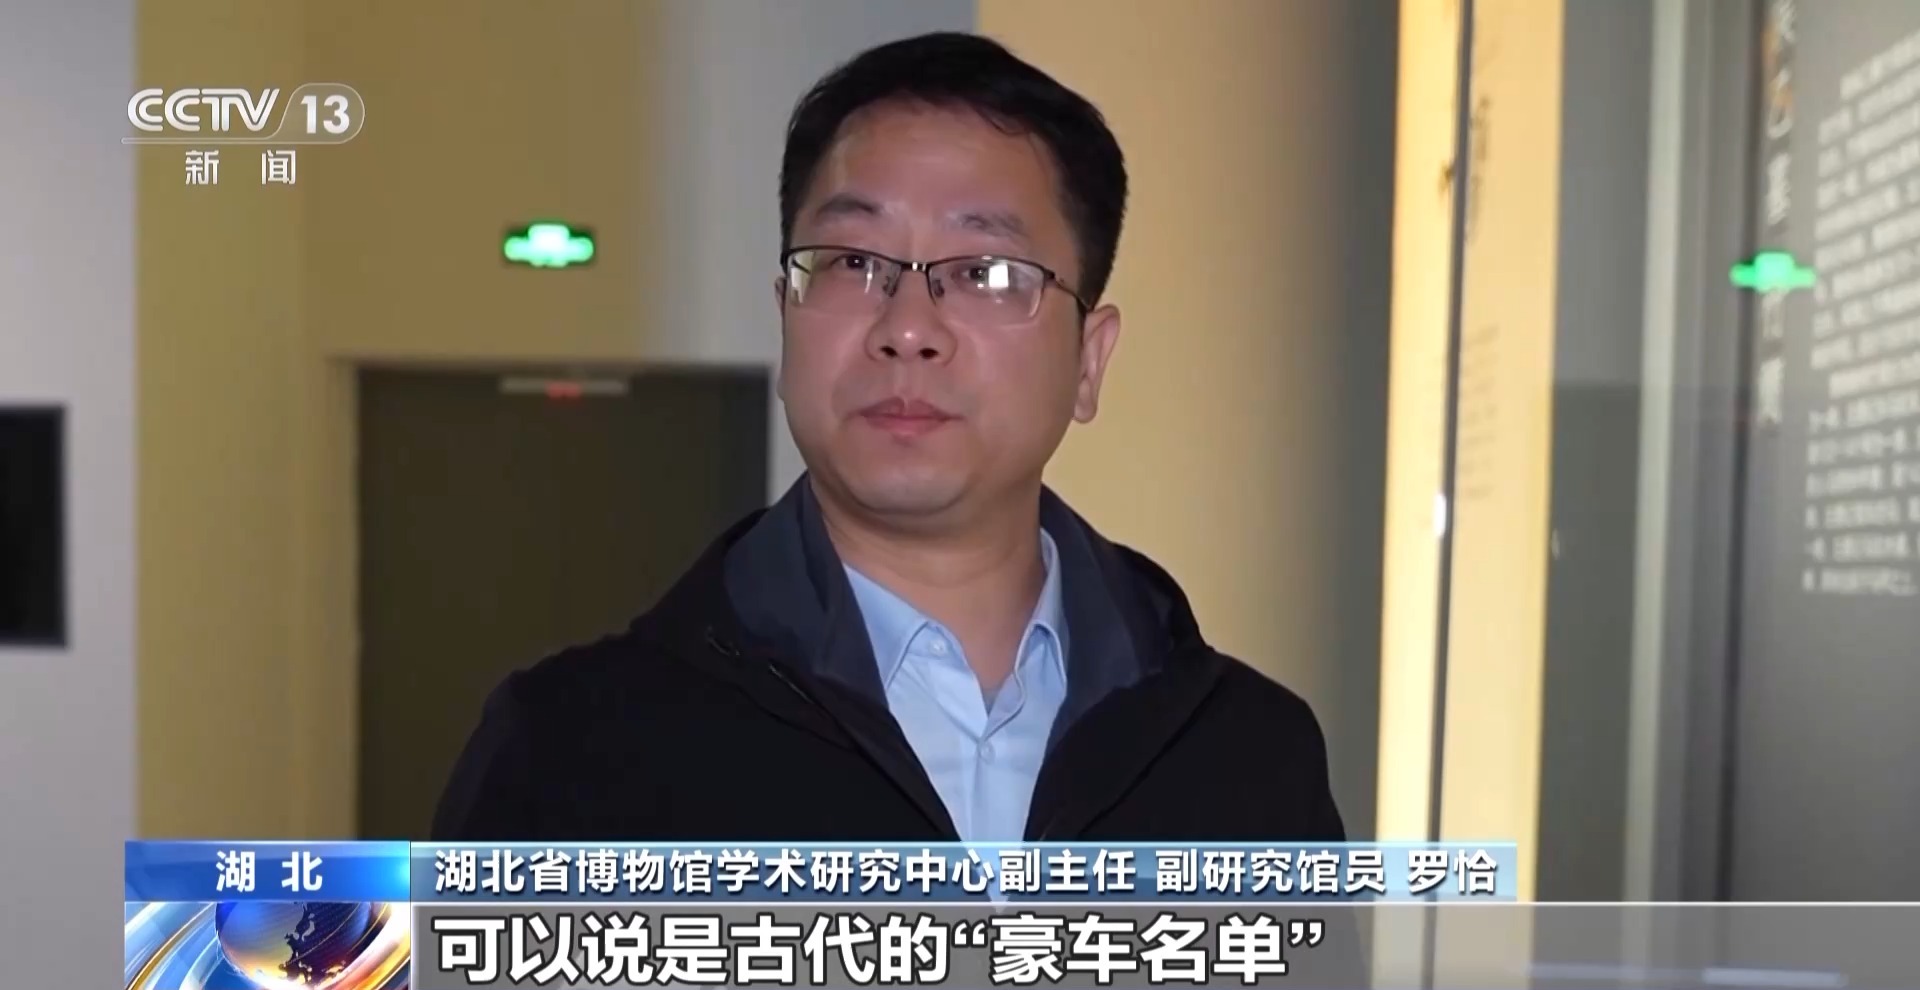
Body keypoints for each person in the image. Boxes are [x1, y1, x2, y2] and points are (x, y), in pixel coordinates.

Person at [432, 31, 1346, 845]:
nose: (907, 327)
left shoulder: (1250, 759)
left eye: (986, 271)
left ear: (1088, 360)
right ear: (785, 318)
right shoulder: (567, 749)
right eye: (851, 263)